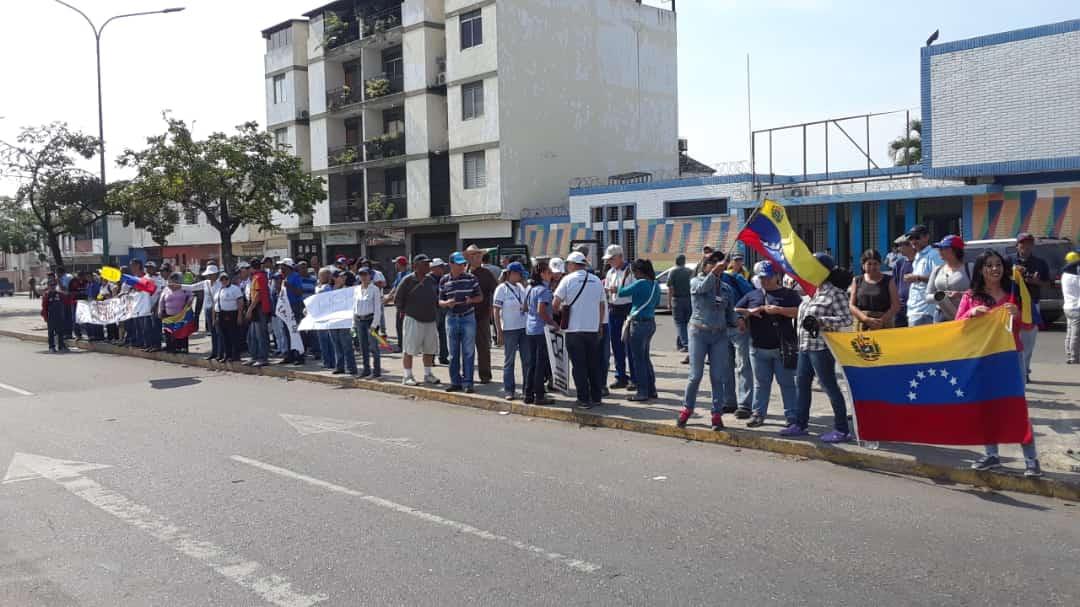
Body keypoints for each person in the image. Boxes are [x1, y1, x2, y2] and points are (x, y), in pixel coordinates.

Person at [956, 250, 1041, 477]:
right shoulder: (971, 296)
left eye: (998, 265)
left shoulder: (1014, 294)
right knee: (987, 408)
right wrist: (971, 313)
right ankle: (992, 455)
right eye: (989, 265)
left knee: (1016, 409)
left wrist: (1018, 314)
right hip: (983, 359)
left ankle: (1032, 461)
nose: (995, 269)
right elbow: (957, 327)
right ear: (981, 270)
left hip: (1010, 358)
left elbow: (1027, 326)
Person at [789, 254, 854, 440]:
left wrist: (821, 321)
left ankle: (842, 429)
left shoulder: (836, 293)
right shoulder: (810, 293)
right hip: (805, 346)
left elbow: (846, 319)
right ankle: (800, 424)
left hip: (822, 348)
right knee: (801, 385)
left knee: (829, 386)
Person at [735, 261, 801, 428]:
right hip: (758, 348)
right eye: (762, 278)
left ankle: (792, 416)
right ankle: (758, 414)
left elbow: (800, 312)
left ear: (777, 277)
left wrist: (779, 310)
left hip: (782, 348)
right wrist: (745, 316)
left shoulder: (789, 294)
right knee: (761, 383)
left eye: (768, 278)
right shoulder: (753, 295)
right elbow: (736, 310)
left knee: (786, 383)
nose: (765, 281)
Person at [676, 251, 736, 431]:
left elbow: (730, 312)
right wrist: (713, 273)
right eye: (712, 263)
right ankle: (687, 409)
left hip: (719, 335)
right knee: (695, 375)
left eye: (719, 263)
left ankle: (716, 414)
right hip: (698, 333)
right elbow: (701, 288)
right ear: (705, 265)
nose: (716, 265)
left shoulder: (726, 288)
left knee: (718, 377)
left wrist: (739, 320)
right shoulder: (696, 281)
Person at [554, 251, 607, 408]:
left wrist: (562, 313)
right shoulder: (597, 280)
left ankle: (583, 399)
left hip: (574, 330)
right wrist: (599, 326)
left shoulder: (567, 280)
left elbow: (555, 304)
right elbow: (602, 305)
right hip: (592, 330)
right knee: (593, 364)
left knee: (579, 366)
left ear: (571, 264)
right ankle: (596, 397)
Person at [618, 259, 661, 401]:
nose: (633, 275)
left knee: (638, 360)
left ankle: (642, 392)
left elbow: (621, 293)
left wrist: (624, 278)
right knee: (645, 358)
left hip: (638, 324)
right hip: (650, 323)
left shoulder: (639, 283)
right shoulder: (655, 285)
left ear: (639, 271)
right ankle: (651, 389)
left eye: (634, 272)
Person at [1010, 232, 1051, 382]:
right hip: (1011, 304)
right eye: (1022, 243)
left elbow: (1048, 284)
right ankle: (1012, 370)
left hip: (1031, 305)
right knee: (1011, 340)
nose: (1025, 246)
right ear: (1017, 245)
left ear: (1032, 245)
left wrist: (1035, 282)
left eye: (1029, 243)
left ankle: (1024, 370)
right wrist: (1013, 274)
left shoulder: (1040, 263)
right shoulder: (1008, 261)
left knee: (1028, 341)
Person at [439, 252, 482, 393]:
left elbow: (480, 297)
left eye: (463, 264)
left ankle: (468, 383)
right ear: (451, 264)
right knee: (453, 352)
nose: (462, 266)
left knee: (468, 352)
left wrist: (471, 300)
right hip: (451, 318)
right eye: (459, 264)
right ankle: (455, 382)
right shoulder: (444, 280)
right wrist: (446, 303)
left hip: (468, 317)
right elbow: (440, 301)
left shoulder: (471, 278)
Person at [397, 254, 441, 387]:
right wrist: (408, 311)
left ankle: (428, 374)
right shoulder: (407, 280)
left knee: (429, 349)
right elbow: (398, 300)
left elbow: (436, 298)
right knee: (409, 349)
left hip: (430, 319)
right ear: (416, 266)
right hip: (413, 319)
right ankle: (407, 376)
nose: (428, 266)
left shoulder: (431, 280)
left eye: (428, 263)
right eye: (425, 264)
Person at [721, 257, 755, 416]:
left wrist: (741, 316)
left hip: (739, 327)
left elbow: (751, 296)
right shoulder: (707, 281)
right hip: (720, 328)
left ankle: (745, 404)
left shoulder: (736, 278)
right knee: (725, 366)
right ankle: (728, 401)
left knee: (743, 366)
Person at [493, 261, 530, 400]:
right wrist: (498, 331)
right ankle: (509, 390)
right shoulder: (502, 288)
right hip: (509, 329)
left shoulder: (521, 286)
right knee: (509, 361)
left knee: (527, 360)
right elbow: (495, 311)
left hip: (524, 328)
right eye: (519, 274)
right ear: (511, 274)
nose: (520, 277)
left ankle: (527, 389)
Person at [602, 245, 636, 390]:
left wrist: (620, 291)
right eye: (608, 260)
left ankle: (634, 378)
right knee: (616, 345)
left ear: (620, 257)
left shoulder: (631, 271)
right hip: (613, 309)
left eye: (612, 259)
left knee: (630, 345)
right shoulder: (610, 272)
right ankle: (620, 375)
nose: (609, 262)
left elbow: (636, 291)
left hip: (627, 309)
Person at [523, 260, 556, 405]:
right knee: (540, 364)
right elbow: (541, 311)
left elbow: (524, 307)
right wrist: (553, 323)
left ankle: (528, 394)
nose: (551, 275)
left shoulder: (530, 288)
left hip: (530, 328)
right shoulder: (544, 290)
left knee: (532, 364)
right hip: (541, 329)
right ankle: (540, 396)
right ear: (542, 274)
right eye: (549, 272)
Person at [464, 244, 497, 384]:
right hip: (465, 315)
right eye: (473, 255)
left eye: (478, 255)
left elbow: (496, 291)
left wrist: (492, 310)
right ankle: (467, 375)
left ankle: (485, 375)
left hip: (481, 315)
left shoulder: (486, 273)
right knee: (466, 347)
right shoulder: (463, 272)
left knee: (483, 347)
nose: (476, 257)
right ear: (468, 257)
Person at [850, 249, 900, 331]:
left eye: (875, 264)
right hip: (862, 323)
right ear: (863, 266)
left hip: (884, 324)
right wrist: (866, 319)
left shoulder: (889, 280)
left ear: (880, 264)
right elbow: (852, 305)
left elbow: (896, 305)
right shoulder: (857, 280)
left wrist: (881, 321)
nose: (872, 267)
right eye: (869, 264)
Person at [903, 224, 942, 327]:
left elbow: (940, 279)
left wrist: (917, 278)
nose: (913, 241)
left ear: (926, 237)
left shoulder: (933, 254)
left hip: (926, 310)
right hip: (914, 309)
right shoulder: (918, 256)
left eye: (917, 237)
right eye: (911, 238)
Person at [926, 235, 970, 323]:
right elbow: (927, 296)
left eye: (943, 248)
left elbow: (981, 292)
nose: (939, 251)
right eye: (939, 248)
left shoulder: (970, 268)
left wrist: (960, 295)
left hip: (964, 315)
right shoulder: (937, 270)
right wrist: (938, 296)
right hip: (940, 316)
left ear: (955, 250)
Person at [352, 268, 383, 378]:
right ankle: (366, 370)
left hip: (370, 320)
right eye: (361, 274)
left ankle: (376, 371)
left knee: (374, 347)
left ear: (370, 276)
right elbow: (354, 307)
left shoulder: (374, 289)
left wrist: (374, 325)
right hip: (359, 320)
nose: (363, 277)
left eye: (365, 274)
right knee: (363, 347)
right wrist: (353, 323)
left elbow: (378, 309)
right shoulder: (356, 289)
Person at [244, 258, 272, 367]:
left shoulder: (259, 277)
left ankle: (262, 357)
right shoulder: (257, 277)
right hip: (257, 308)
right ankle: (254, 356)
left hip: (260, 309)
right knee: (252, 335)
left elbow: (258, 296)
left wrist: (250, 309)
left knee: (261, 335)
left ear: (251, 267)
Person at [278, 258, 306, 365]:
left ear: (288, 267)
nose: (281, 268)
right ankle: (290, 354)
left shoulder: (296, 276)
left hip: (295, 306)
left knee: (296, 330)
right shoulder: (285, 277)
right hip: (287, 306)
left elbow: (299, 292)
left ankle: (300, 355)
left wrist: (289, 286)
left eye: (282, 266)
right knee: (287, 331)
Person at [159, 273, 194, 354]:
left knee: (182, 331)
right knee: (169, 332)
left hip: (181, 315)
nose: (172, 282)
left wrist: (189, 302)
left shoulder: (183, 288)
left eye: (175, 280)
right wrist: (160, 311)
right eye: (171, 280)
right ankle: (171, 347)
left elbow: (191, 295)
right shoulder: (166, 289)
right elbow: (161, 301)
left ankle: (183, 348)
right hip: (168, 315)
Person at [214, 271, 244, 362]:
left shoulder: (235, 289)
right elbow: (216, 304)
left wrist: (239, 315)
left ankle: (235, 356)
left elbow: (240, 302)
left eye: (225, 279)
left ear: (229, 279)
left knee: (233, 336)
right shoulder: (219, 290)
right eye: (222, 279)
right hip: (222, 314)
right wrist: (216, 317)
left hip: (232, 314)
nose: (224, 281)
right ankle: (227, 355)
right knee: (224, 336)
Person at [667, 254, 693, 353]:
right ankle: (680, 343)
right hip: (689, 299)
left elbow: (671, 288)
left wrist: (669, 302)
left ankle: (686, 344)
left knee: (679, 323)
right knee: (685, 323)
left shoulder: (673, 272)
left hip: (677, 300)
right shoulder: (690, 271)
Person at [891, 235, 915, 327]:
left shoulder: (920, 261)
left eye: (901, 245)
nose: (899, 248)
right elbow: (895, 284)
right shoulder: (899, 263)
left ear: (910, 245)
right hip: (900, 307)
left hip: (915, 306)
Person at [430, 258, 451, 365]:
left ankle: (443, 356)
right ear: (434, 268)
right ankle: (431, 358)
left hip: (443, 310)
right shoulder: (428, 279)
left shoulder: (444, 279)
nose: (443, 269)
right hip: (432, 311)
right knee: (432, 336)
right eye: (441, 267)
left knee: (443, 334)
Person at [41, 277, 69, 353]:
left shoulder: (59, 294)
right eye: (51, 285)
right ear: (48, 286)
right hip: (50, 317)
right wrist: (45, 317)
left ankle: (61, 346)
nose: (52, 286)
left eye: (54, 284)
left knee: (60, 332)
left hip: (59, 316)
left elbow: (66, 299)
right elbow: (44, 307)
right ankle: (51, 347)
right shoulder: (46, 295)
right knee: (51, 332)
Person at [201, 265, 222, 361]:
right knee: (212, 332)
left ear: (215, 274)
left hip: (217, 310)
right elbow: (193, 287)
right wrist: (180, 286)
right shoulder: (206, 283)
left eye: (210, 274)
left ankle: (220, 352)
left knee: (219, 332)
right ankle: (214, 352)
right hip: (207, 309)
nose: (208, 276)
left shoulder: (220, 283)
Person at [1063, 251, 1079, 365]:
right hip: (1076, 307)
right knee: (1076, 334)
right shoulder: (1075, 277)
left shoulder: (1065, 275)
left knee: (1069, 333)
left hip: (1068, 306)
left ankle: (1069, 354)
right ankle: (1074, 357)